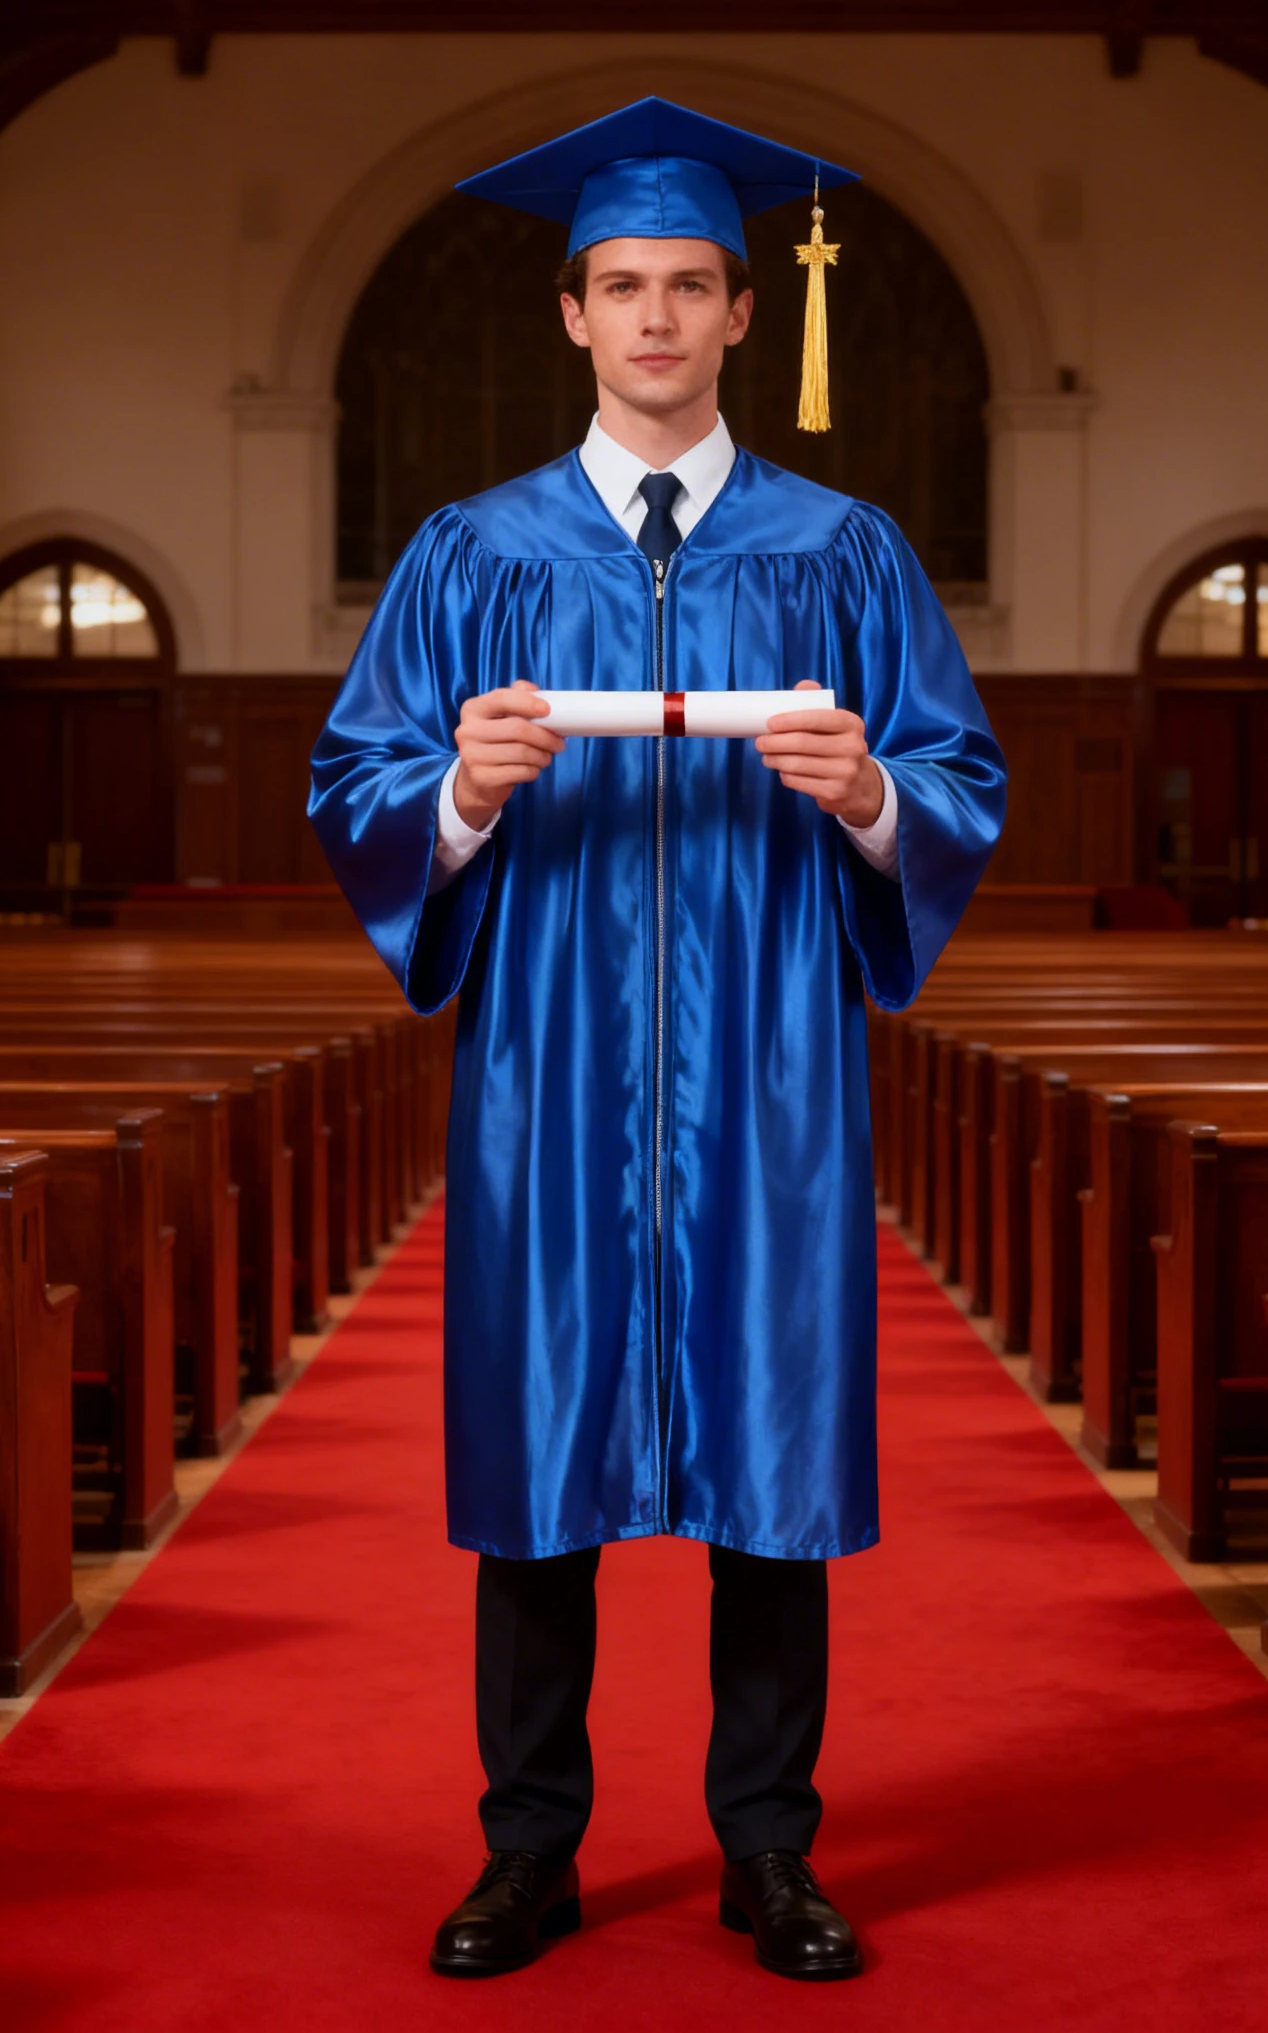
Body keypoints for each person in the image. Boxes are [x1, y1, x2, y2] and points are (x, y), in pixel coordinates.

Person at [309, 96, 1006, 1983]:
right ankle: (527, 1848)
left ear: (740, 313)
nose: (657, 320)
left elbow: (960, 775)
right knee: (538, 1470)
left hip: (773, 1076)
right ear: (571, 314)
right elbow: (354, 779)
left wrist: (871, 788)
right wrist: (453, 791)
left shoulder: (843, 552)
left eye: (692, 286)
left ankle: (767, 1849)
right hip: (547, 1070)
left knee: (770, 1470)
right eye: (623, 286)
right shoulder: (472, 555)